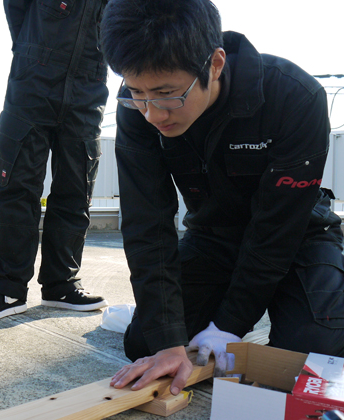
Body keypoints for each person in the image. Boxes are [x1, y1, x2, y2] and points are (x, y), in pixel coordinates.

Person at [99, 0, 344, 397]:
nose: (152, 114)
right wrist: (168, 339)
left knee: (312, 353)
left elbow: (276, 230)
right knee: (147, 343)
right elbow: (147, 223)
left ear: (215, 64)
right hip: (214, 236)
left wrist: (230, 324)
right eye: (136, 93)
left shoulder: (294, 97)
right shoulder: (138, 109)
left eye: (166, 94)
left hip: (299, 235)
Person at [0, 0, 110, 320]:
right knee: (17, 187)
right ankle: (7, 289)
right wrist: (35, 50)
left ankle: (62, 285)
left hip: (89, 89)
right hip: (32, 82)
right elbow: (16, 10)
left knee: (76, 190)